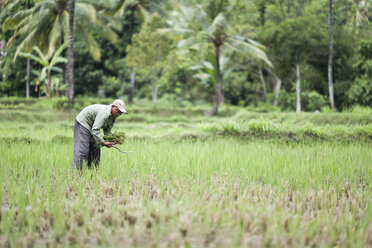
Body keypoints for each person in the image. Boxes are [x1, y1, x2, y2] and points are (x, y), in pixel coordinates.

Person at [73, 99, 128, 170]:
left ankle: (93, 172)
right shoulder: (104, 114)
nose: (118, 114)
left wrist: (111, 139)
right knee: (83, 149)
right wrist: (103, 142)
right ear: (112, 107)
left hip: (93, 125)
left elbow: (107, 129)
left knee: (95, 149)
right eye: (118, 111)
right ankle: (78, 172)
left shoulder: (113, 116)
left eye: (121, 113)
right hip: (83, 123)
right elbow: (95, 129)